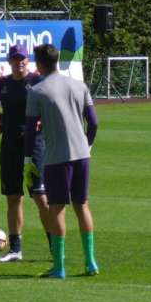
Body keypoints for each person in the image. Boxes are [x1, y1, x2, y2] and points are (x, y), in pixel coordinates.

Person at [0, 44, 51, 262]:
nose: (19, 61)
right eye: (15, 58)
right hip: (10, 146)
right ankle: (15, 250)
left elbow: (54, 107)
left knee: (41, 198)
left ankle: (55, 248)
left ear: (28, 60)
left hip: (33, 146)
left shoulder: (37, 81)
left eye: (22, 58)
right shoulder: (2, 84)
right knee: (13, 197)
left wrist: (45, 121)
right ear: (10, 61)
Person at [23, 44, 99, 279]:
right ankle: (91, 262)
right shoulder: (79, 85)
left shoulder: (37, 91)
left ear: (39, 63)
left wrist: (28, 159)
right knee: (82, 205)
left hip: (56, 158)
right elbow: (94, 123)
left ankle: (59, 267)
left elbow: (29, 129)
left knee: (56, 209)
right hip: (82, 155)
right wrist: (88, 146)